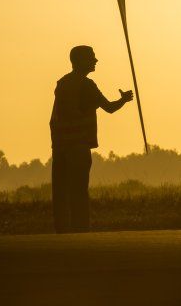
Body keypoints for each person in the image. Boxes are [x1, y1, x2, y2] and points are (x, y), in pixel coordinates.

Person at [49, 45, 133, 233]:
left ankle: (61, 228)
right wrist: (124, 100)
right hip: (78, 146)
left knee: (61, 190)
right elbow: (109, 108)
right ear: (80, 61)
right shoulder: (87, 85)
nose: (95, 61)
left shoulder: (62, 83)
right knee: (79, 189)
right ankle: (80, 228)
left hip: (60, 145)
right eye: (91, 58)